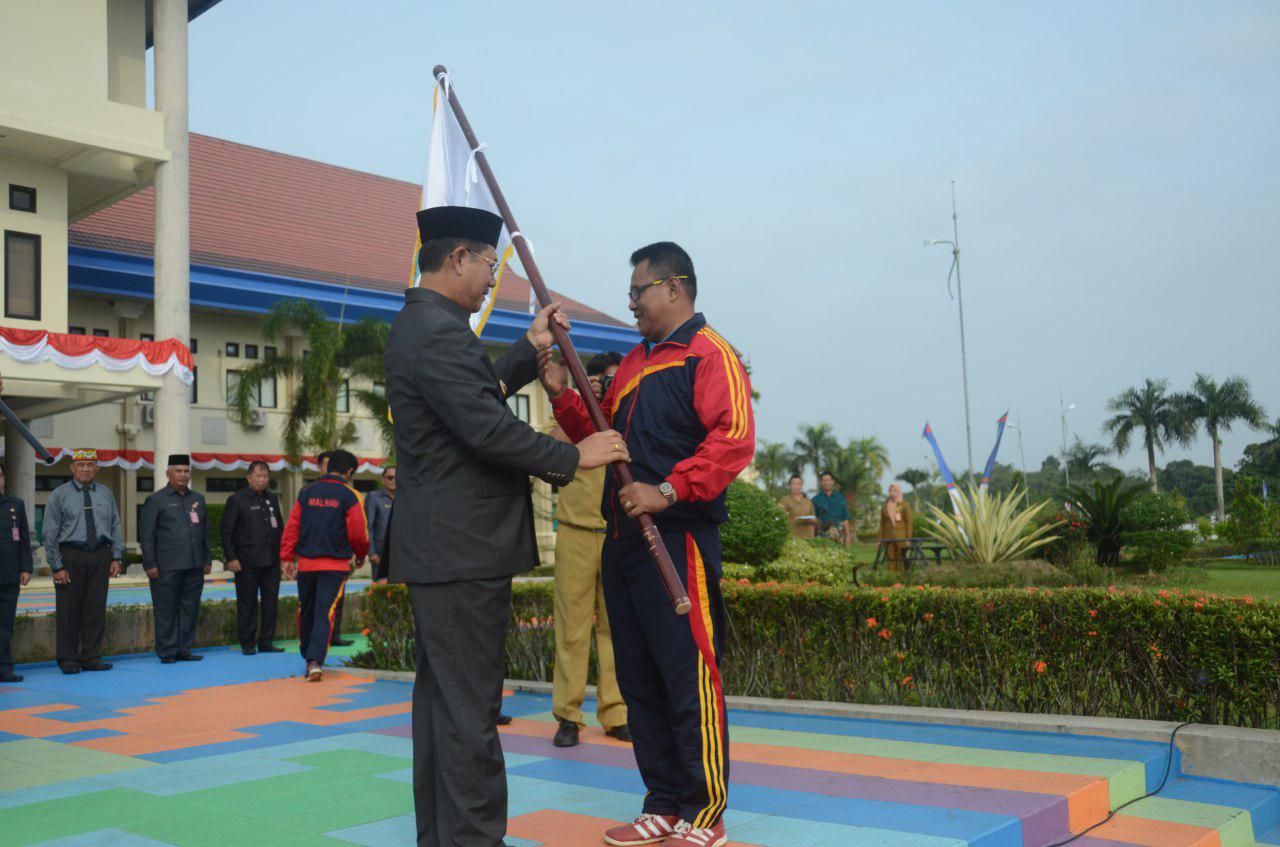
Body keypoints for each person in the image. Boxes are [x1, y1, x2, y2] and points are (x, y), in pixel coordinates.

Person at [384, 205, 626, 847]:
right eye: (490, 263)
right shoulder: (438, 332)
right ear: (459, 258)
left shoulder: (427, 326)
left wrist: (532, 347)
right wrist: (576, 456)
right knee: (470, 717)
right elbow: (487, 429)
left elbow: (478, 391)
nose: (494, 276)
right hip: (462, 552)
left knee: (445, 712)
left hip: (446, 551)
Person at [542, 241, 755, 847]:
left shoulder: (710, 355)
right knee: (639, 680)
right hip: (623, 539)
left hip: (678, 537)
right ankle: (662, 803)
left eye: (638, 291)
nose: (631, 302)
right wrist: (561, 393)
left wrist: (667, 490)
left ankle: (704, 812)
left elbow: (734, 440)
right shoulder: (636, 361)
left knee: (688, 675)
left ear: (674, 287)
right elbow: (604, 438)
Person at [547, 351, 628, 749]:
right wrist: (581, 400)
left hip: (617, 533)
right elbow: (550, 450)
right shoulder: (569, 417)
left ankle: (616, 714)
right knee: (571, 630)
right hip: (575, 533)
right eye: (596, 378)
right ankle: (568, 716)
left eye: (609, 378)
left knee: (617, 629)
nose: (602, 384)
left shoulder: (625, 416)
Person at [280, 448, 368, 682]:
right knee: (324, 612)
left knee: (307, 610)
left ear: (328, 466)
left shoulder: (306, 492)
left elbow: (293, 526)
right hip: (335, 567)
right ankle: (314, 661)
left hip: (306, 566)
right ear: (349, 471)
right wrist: (361, 554)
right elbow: (358, 533)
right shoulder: (351, 496)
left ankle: (308, 656)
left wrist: (287, 558)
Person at [42, 449, 124, 674]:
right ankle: (68, 658)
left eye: (90, 465)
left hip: (100, 555)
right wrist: (56, 565)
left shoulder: (106, 494)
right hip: (71, 555)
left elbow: (115, 525)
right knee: (68, 609)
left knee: (95, 609)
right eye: (80, 465)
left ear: (96, 468)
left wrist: (117, 556)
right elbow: (49, 532)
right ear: (72, 468)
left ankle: (91, 657)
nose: (85, 469)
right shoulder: (59, 494)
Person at [140, 455, 212, 663]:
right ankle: (167, 651)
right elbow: (147, 536)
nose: (183, 475)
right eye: (178, 471)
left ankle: (184, 649)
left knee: (190, 609)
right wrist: (150, 564)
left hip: (194, 565)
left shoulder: (198, 499)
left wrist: (207, 559)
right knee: (166, 610)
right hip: (166, 567)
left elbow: (205, 533)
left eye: (186, 471)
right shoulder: (156, 500)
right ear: (168, 474)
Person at [220, 460, 285, 654]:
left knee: (270, 604)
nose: (263, 480)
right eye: (259, 476)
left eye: (265, 476)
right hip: (246, 562)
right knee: (247, 604)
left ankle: (266, 642)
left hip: (271, 561)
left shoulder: (272, 498)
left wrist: (284, 556)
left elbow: (279, 528)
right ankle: (247, 643)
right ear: (249, 478)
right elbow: (226, 532)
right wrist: (231, 557)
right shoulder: (236, 499)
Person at [315, 450, 355, 647]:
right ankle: (315, 645)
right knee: (317, 604)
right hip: (314, 558)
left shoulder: (346, 494)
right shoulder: (309, 492)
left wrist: (355, 552)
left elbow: (354, 528)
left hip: (337, 557)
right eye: (325, 465)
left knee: (336, 600)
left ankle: (334, 635)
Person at [0, 466, 33, 683]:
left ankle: (4, 667)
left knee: (5, 624)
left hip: (9, 573)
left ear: (4, 479)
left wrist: (26, 568)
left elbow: (23, 538)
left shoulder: (15, 505)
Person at [365, 464, 395, 584]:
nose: (394, 480)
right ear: (383, 479)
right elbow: (369, 526)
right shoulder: (374, 497)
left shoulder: (403, 498)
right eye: (390, 477)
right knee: (381, 587)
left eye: (396, 477)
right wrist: (371, 551)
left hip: (400, 551)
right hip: (380, 552)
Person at [879, 483, 914, 572]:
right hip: (888, 538)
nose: (892, 493)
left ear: (899, 492)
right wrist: (879, 539)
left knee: (901, 558)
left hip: (901, 538)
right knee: (890, 559)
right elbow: (882, 524)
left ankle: (902, 578)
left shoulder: (904, 505)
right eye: (890, 491)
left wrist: (908, 539)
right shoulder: (884, 506)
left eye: (895, 491)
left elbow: (909, 523)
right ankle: (892, 578)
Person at [813, 470, 853, 546]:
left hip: (840, 537)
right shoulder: (815, 500)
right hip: (822, 538)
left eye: (828, 480)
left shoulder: (840, 498)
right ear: (821, 482)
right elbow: (813, 521)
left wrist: (848, 536)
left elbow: (845, 519)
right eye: (824, 480)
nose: (826, 483)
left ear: (833, 482)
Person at [778, 474, 818, 538]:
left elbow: (814, 520)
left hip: (808, 538)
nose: (797, 486)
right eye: (794, 484)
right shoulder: (784, 501)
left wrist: (812, 520)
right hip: (793, 538)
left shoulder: (808, 502)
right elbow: (780, 519)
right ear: (790, 485)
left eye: (799, 484)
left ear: (802, 485)